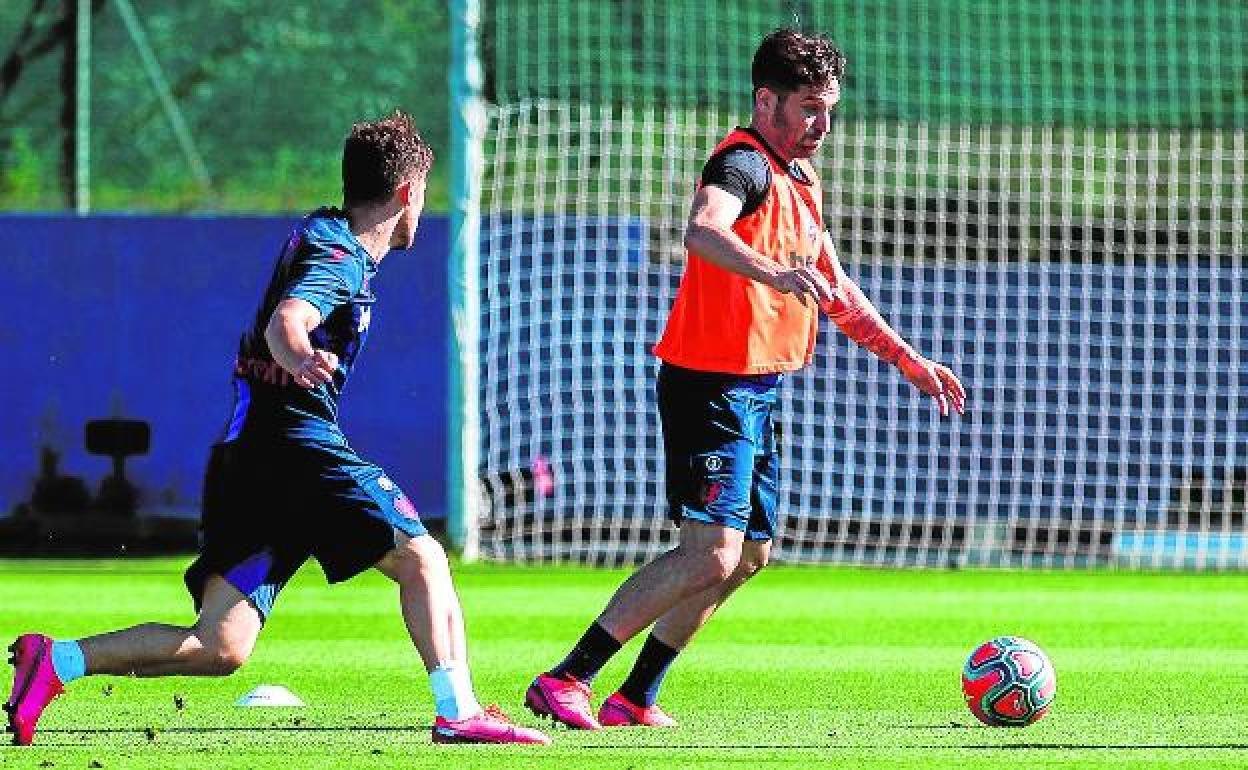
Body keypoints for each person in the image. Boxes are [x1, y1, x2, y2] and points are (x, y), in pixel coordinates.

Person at [5, 111, 550, 747]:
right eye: (424, 191)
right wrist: (297, 352)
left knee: (222, 644)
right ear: (407, 194)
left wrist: (287, 352)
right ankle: (458, 712)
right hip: (296, 448)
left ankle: (57, 661)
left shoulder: (323, 229)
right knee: (423, 556)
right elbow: (288, 319)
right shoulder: (341, 258)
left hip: (249, 457)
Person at [524, 29, 967, 730]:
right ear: (767, 100)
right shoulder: (743, 165)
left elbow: (834, 285)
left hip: (758, 388)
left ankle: (634, 697)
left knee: (749, 556)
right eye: (811, 108)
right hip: (712, 384)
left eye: (831, 109)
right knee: (712, 551)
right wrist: (775, 272)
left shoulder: (799, 178)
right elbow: (703, 230)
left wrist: (907, 358)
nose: (824, 124)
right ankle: (566, 677)